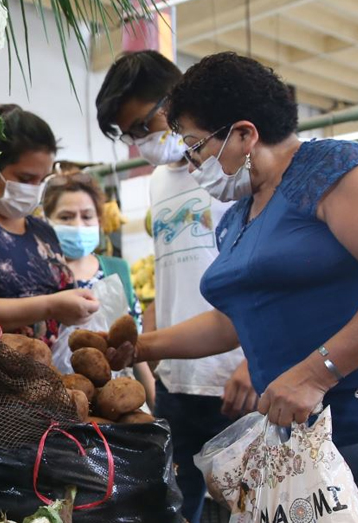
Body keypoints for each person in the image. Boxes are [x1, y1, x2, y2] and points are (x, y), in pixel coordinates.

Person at [108, 52, 358, 522]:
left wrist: (314, 374)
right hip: (319, 442)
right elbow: (235, 322)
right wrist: (140, 348)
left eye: (195, 145)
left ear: (244, 134)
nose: (193, 161)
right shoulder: (240, 218)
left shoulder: (332, 170)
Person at [96, 50, 253, 523]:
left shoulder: (236, 171)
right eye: (129, 135)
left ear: (176, 98)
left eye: (143, 125)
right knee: (174, 509)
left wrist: (256, 361)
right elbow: (174, 276)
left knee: (255, 507)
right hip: (177, 381)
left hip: (238, 378)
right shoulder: (159, 183)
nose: (141, 141)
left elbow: (271, 277)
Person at [0, 105, 99, 346]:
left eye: (42, 180)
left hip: (50, 364)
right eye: (25, 179)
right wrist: (48, 307)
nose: (35, 189)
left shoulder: (43, 231)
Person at [41, 171, 155, 407]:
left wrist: (154, 402)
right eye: (66, 217)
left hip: (116, 396)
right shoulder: (38, 274)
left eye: (87, 216)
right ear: (47, 221)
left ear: (99, 221)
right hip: (54, 399)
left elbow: (133, 345)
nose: (78, 225)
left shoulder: (117, 270)